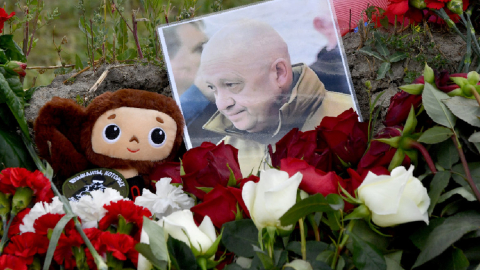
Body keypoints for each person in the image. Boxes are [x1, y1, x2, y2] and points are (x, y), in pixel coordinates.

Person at [198, 20, 355, 176]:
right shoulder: (221, 157)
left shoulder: (353, 119)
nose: (221, 105)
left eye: (231, 84)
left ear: (279, 73)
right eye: (213, 88)